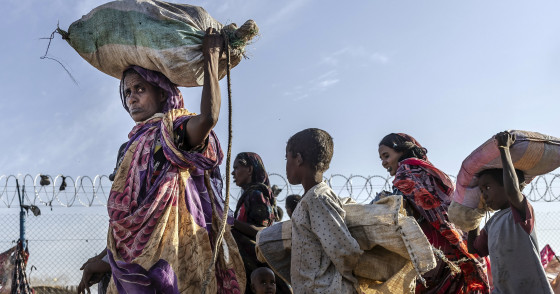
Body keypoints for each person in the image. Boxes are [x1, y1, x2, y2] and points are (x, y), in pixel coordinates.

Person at [77, 27, 246, 294]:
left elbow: (208, 119)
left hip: (175, 256)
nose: (132, 97)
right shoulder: (128, 147)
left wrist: (210, 58)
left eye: (140, 89)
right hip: (133, 267)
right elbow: (131, 220)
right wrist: (105, 260)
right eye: (128, 92)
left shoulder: (172, 132)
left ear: (163, 94)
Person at [378, 133, 490, 293]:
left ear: (401, 151)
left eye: (386, 156)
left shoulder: (406, 171)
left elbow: (401, 212)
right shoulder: (429, 170)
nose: (383, 162)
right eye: (381, 158)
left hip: (433, 252)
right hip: (453, 246)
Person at [467, 131, 554, 293]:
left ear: (505, 184)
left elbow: (512, 192)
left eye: (487, 187)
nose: (483, 194)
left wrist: (504, 150)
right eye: (480, 190)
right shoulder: (491, 224)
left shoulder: (520, 210)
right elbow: (474, 249)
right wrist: (474, 213)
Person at [286, 128, 362, 293]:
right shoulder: (310, 199)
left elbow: (345, 250)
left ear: (298, 159)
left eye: (287, 158)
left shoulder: (317, 199)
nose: (286, 165)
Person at [231, 152, 290, 293]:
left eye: (236, 167)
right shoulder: (248, 195)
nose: (233, 173)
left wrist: (231, 223)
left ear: (250, 169)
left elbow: (263, 232)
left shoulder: (257, 194)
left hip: (259, 268)